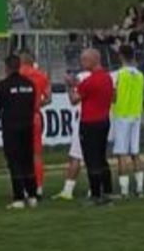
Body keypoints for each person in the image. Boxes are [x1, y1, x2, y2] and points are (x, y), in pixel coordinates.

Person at [65, 49, 114, 206]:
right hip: (104, 120)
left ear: (93, 60)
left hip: (90, 122)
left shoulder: (90, 81)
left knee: (92, 160)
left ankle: (95, 194)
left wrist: (68, 86)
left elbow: (74, 99)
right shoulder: (107, 78)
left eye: (85, 60)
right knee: (101, 157)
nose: (82, 63)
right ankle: (107, 191)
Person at [0, 54, 39, 209]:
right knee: (28, 161)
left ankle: (19, 197)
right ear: (19, 66)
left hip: (11, 128)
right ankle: (32, 195)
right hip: (27, 126)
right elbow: (33, 103)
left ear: (7, 68)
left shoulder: (3, 85)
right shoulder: (30, 84)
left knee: (15, 162)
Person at [110, 44, 144, 198]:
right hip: (135, 114)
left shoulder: (117, 75)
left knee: (121, 153)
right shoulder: (140, 75)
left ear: (120, 56)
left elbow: (113, 95)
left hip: (121, 115)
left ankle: (124, 190)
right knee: (135, 153)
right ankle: (139, 188)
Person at [18, 50, 50, 198]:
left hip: (19, 116)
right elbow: (48, 98)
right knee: (36, 155)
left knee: (21, 154)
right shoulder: (41, 75)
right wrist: (37, 104)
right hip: (35, 116)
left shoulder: (17, 74)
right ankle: (38, 187)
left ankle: (24, 188)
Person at [52, 70, 88, 201]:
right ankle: (95, 188)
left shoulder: (83, 76)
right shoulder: (99, 75)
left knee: (76, 156)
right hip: (94, 118)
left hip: (82, 119)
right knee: (91, 156)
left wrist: (69, 86)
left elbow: (73, 99)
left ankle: (68, 190)